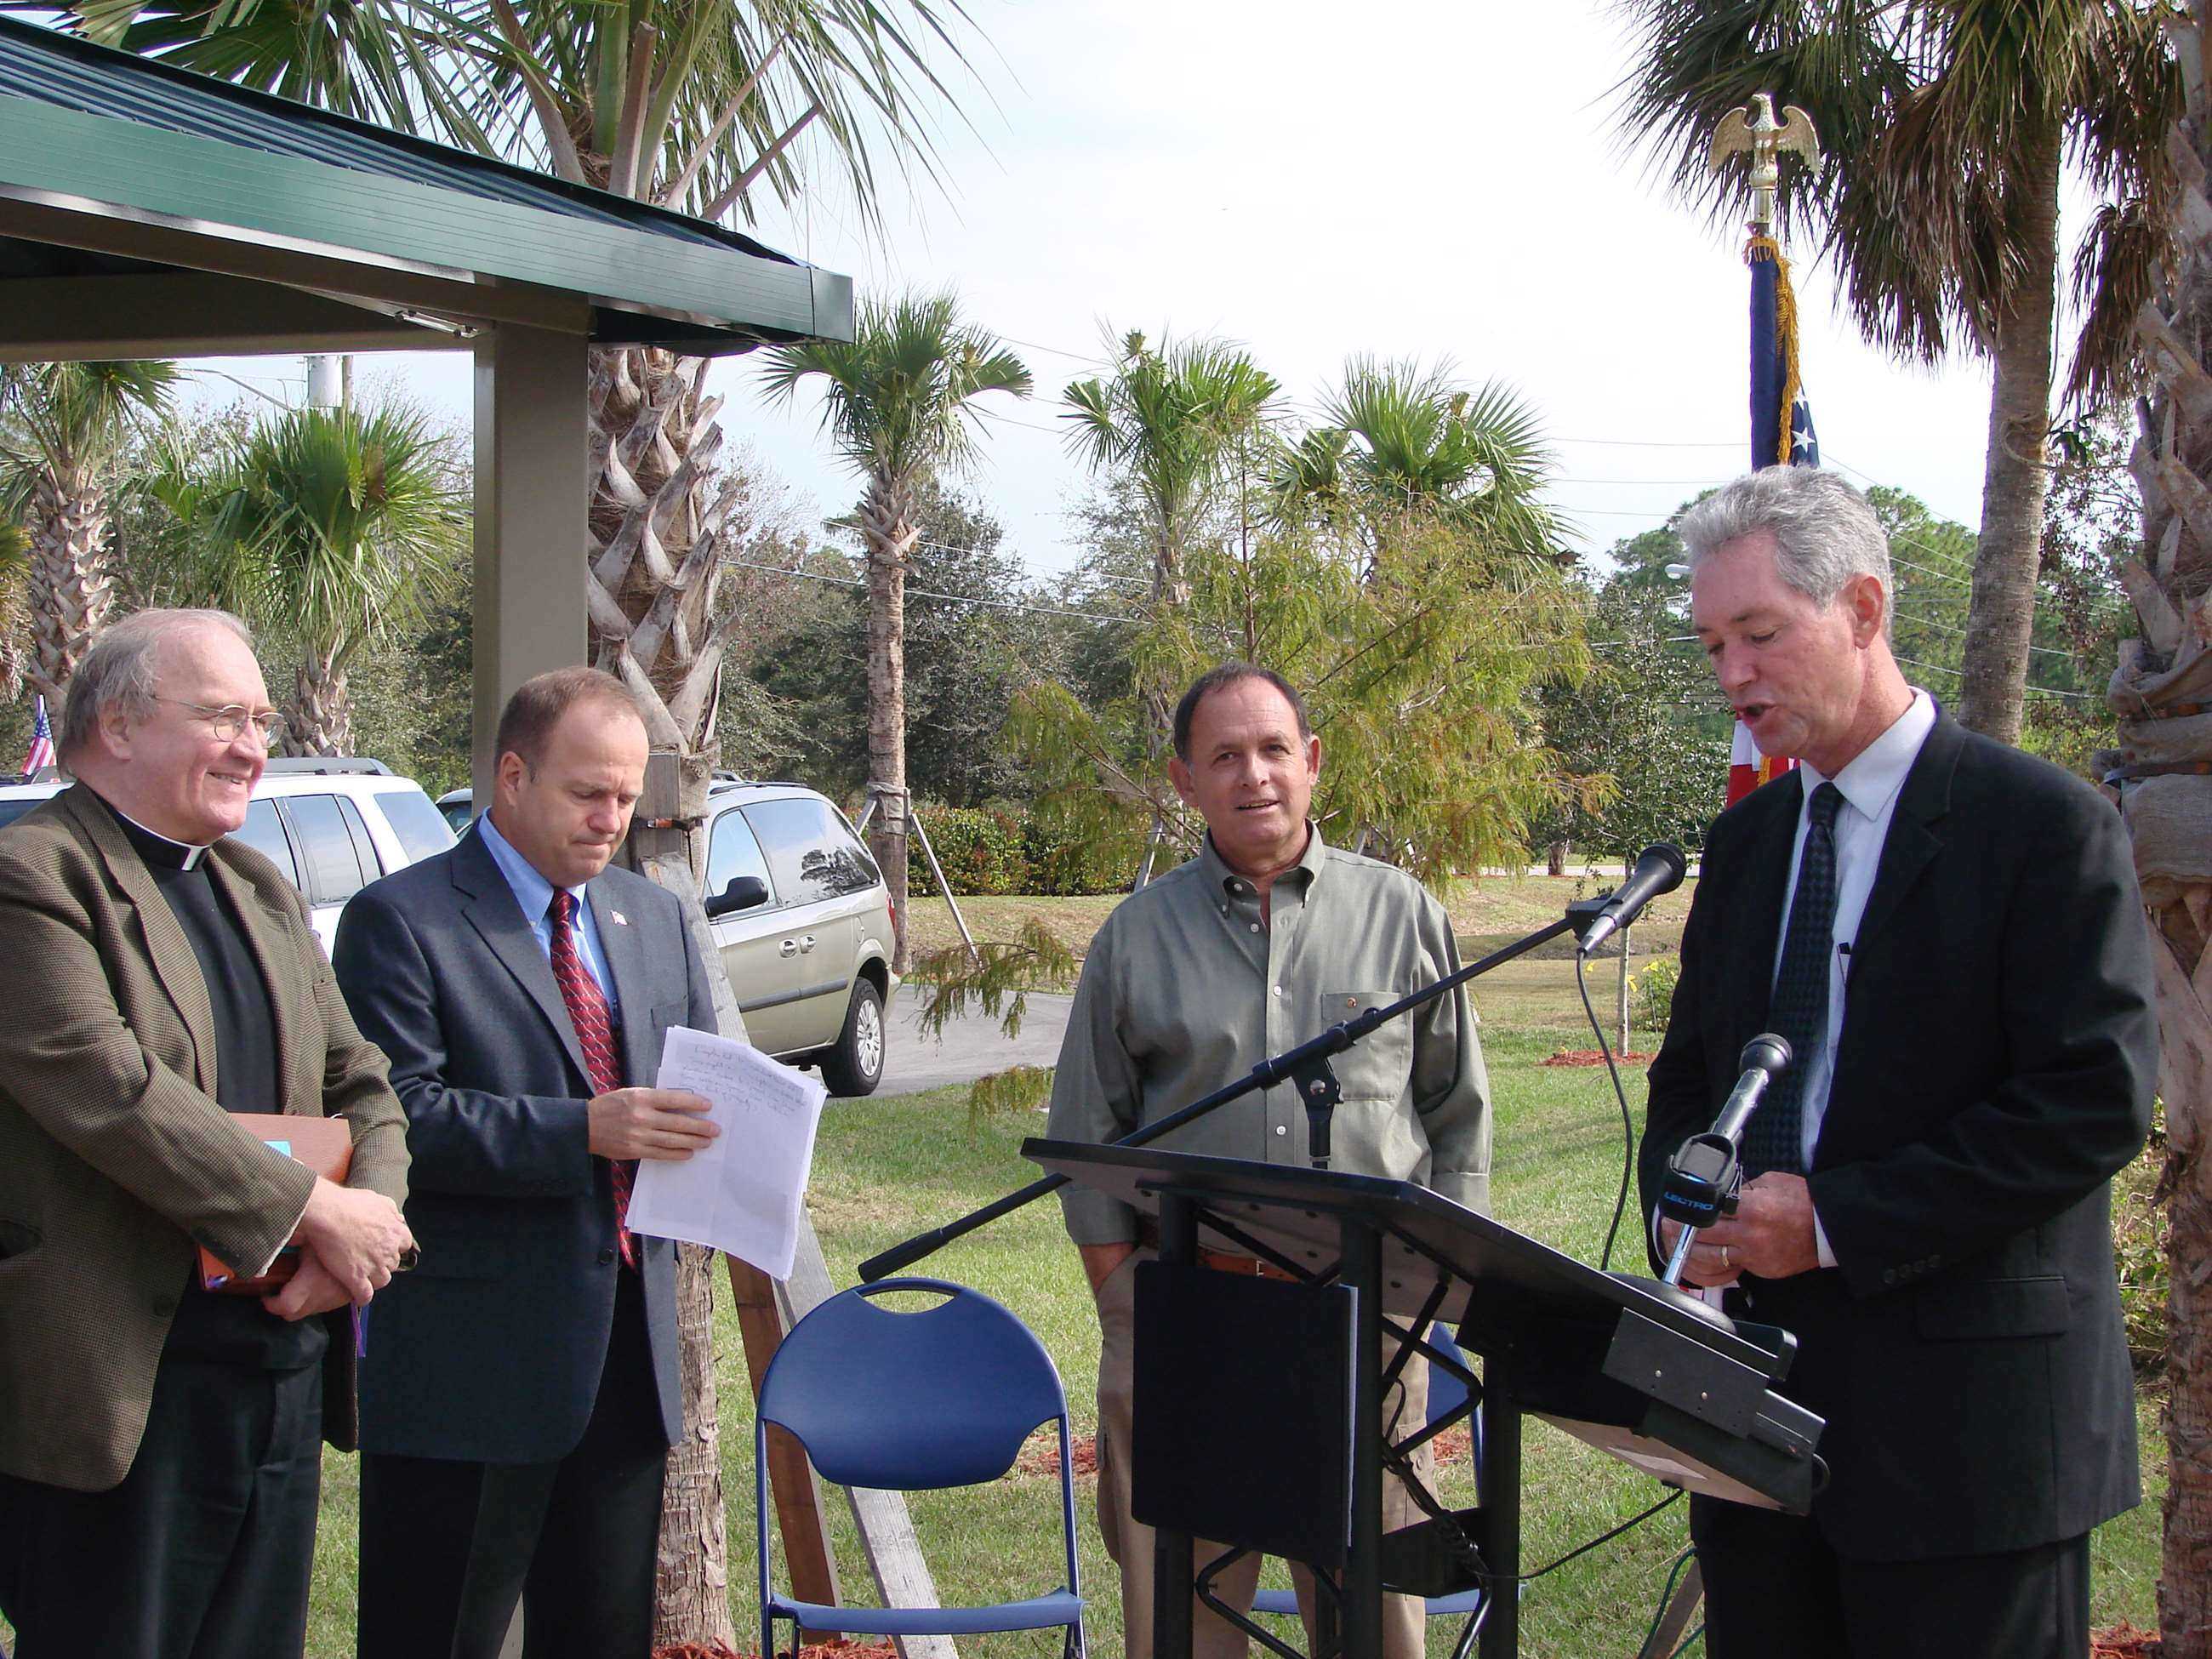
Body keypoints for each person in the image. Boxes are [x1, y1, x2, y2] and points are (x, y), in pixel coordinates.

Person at [1642, 465, 2158, 1658]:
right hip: (1756, 1430)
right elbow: (1693, 1075)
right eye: (1714, 642)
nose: (1732, 677)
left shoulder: (2041, 827)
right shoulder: (1752, 841)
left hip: (1971, 1451)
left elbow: (2091, 1103)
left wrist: (1831, 1220)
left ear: (1863, 609)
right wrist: (1684, 1211)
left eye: (1760, 634)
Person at [1045, 663, 1491, 1659]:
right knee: (1183, 1617)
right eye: (1224, 756)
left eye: (1274, 749)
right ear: (1183, 780)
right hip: (1189, 1321)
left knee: (1367, 1610)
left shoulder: (1401, 915)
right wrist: (1125, 1295)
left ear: (1312, 763)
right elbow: (1086, 1137)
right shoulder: (1133, 938)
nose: (1254, 775)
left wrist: (1436, 1296)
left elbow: (1454, 1115)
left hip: (1365, 1320)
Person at [0, 608, 415, 1659]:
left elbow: (362, 1080)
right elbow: (111, 1090)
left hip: (275, 1364)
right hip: (124, 1391)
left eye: (261, 719)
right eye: (223, 715)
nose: (252, 746)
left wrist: (365, 1233)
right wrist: (314, 1212)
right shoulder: (34, 875)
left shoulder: (257, 886)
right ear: (122, 725)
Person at [334, 665, 719, 1659]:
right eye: (587, 792)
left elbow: (695, 1092)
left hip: (626, 1362)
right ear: (512, 777)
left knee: (601, 1636)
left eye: (627, 798)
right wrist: (581, 1130)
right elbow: (399, 1119)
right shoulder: (402, 920)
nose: (610, 818)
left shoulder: (655, 918)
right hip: (470, 1370)